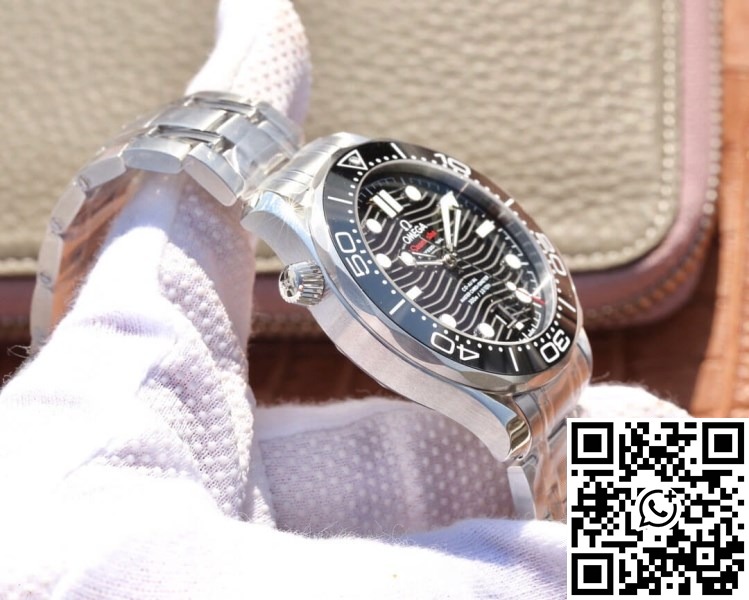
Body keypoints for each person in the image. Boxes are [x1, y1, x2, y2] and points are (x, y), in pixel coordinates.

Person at [0, 1, 686, 597]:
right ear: (310, 288)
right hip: (654, 486)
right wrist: (704, 541)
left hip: (531, 352)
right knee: (670, 486)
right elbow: (691, 530)